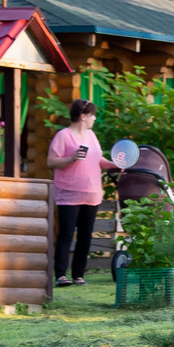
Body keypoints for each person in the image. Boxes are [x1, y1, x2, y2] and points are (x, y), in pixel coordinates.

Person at [47, 98, 105, 286]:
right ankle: (61, 275)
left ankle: (79, 275)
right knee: (66, 234)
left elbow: (98, 159)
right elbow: (51, 161)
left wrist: (116, 165)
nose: (94, 118)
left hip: (91, 193)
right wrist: (71, 158)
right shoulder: (63, 136)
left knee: (85, 236)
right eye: (92, 115)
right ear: (83, 116)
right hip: (69, 194)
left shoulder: (92, 136)